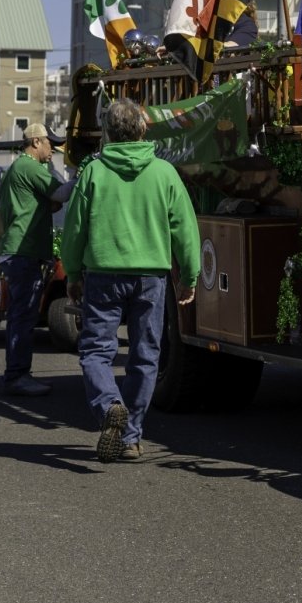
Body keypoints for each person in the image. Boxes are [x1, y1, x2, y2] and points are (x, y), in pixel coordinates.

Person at [61, 98, 200, 463]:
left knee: (95, 351)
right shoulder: (164, 173)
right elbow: (185, 228)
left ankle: (109, 406)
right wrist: (190, 275)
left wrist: (73, 272)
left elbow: (75, 228)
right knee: (145, 355)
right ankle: (131, 436)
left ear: (108, 132)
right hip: (151, 276)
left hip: (103, 274)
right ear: (142, 129)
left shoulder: (93, 171)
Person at [0, 122, 72, 397]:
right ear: (36, 142)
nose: (54, 147)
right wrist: (82, 174)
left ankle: (18, 373)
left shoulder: (22, 168)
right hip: (23, 251)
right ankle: (17, 376)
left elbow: (51, 202)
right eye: (50, 142)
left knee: (21, 316)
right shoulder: (29, 167)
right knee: (23, 316)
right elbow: (61, 194)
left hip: (19, 251)